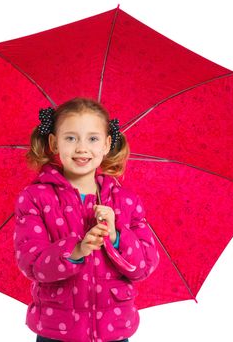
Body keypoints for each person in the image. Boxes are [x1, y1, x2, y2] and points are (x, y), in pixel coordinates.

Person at [14, 97, 160, 342]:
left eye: (92, 139)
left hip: (114, 329)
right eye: (71, 138)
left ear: (106, 144)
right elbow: (31, 262)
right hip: (57, 330)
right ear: (54, 143)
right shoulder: (36, 198)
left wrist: (116, 236)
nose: (82, 148)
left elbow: (144, 265)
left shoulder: (126, 201)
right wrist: (77, 249)